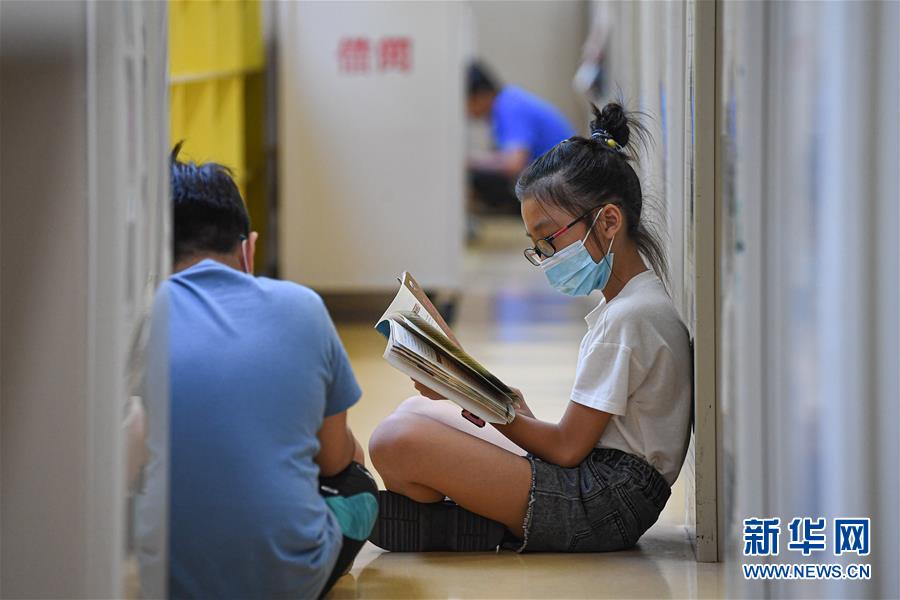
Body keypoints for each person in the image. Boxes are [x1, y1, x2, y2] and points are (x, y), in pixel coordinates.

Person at [367, 103, 691, 553]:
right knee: (412, 414)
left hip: (602, 505)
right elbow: (578, 442)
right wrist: (489, 398)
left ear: (608, 221)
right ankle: (480, 520)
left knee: (395, 441)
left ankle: (475, 523)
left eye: (549, 239)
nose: (546, 257)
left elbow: (566, 449)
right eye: (537, 246)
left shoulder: (630, 318)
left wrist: (481, 403)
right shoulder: (630, 305)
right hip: (600, 485)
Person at [136, 144, 377, 598]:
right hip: (289, 580)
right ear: (249, 248)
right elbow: (333, 460)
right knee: (357, 480)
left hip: (165, 579)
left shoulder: (144, 319)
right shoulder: (303, 306)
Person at [467, 61, 576, 211]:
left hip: (562, 188)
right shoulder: (507, 102)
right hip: (557, 180)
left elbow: (513, 163)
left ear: (480, 95)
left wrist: (471, 161)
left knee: (478, 179)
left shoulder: (509, 107)